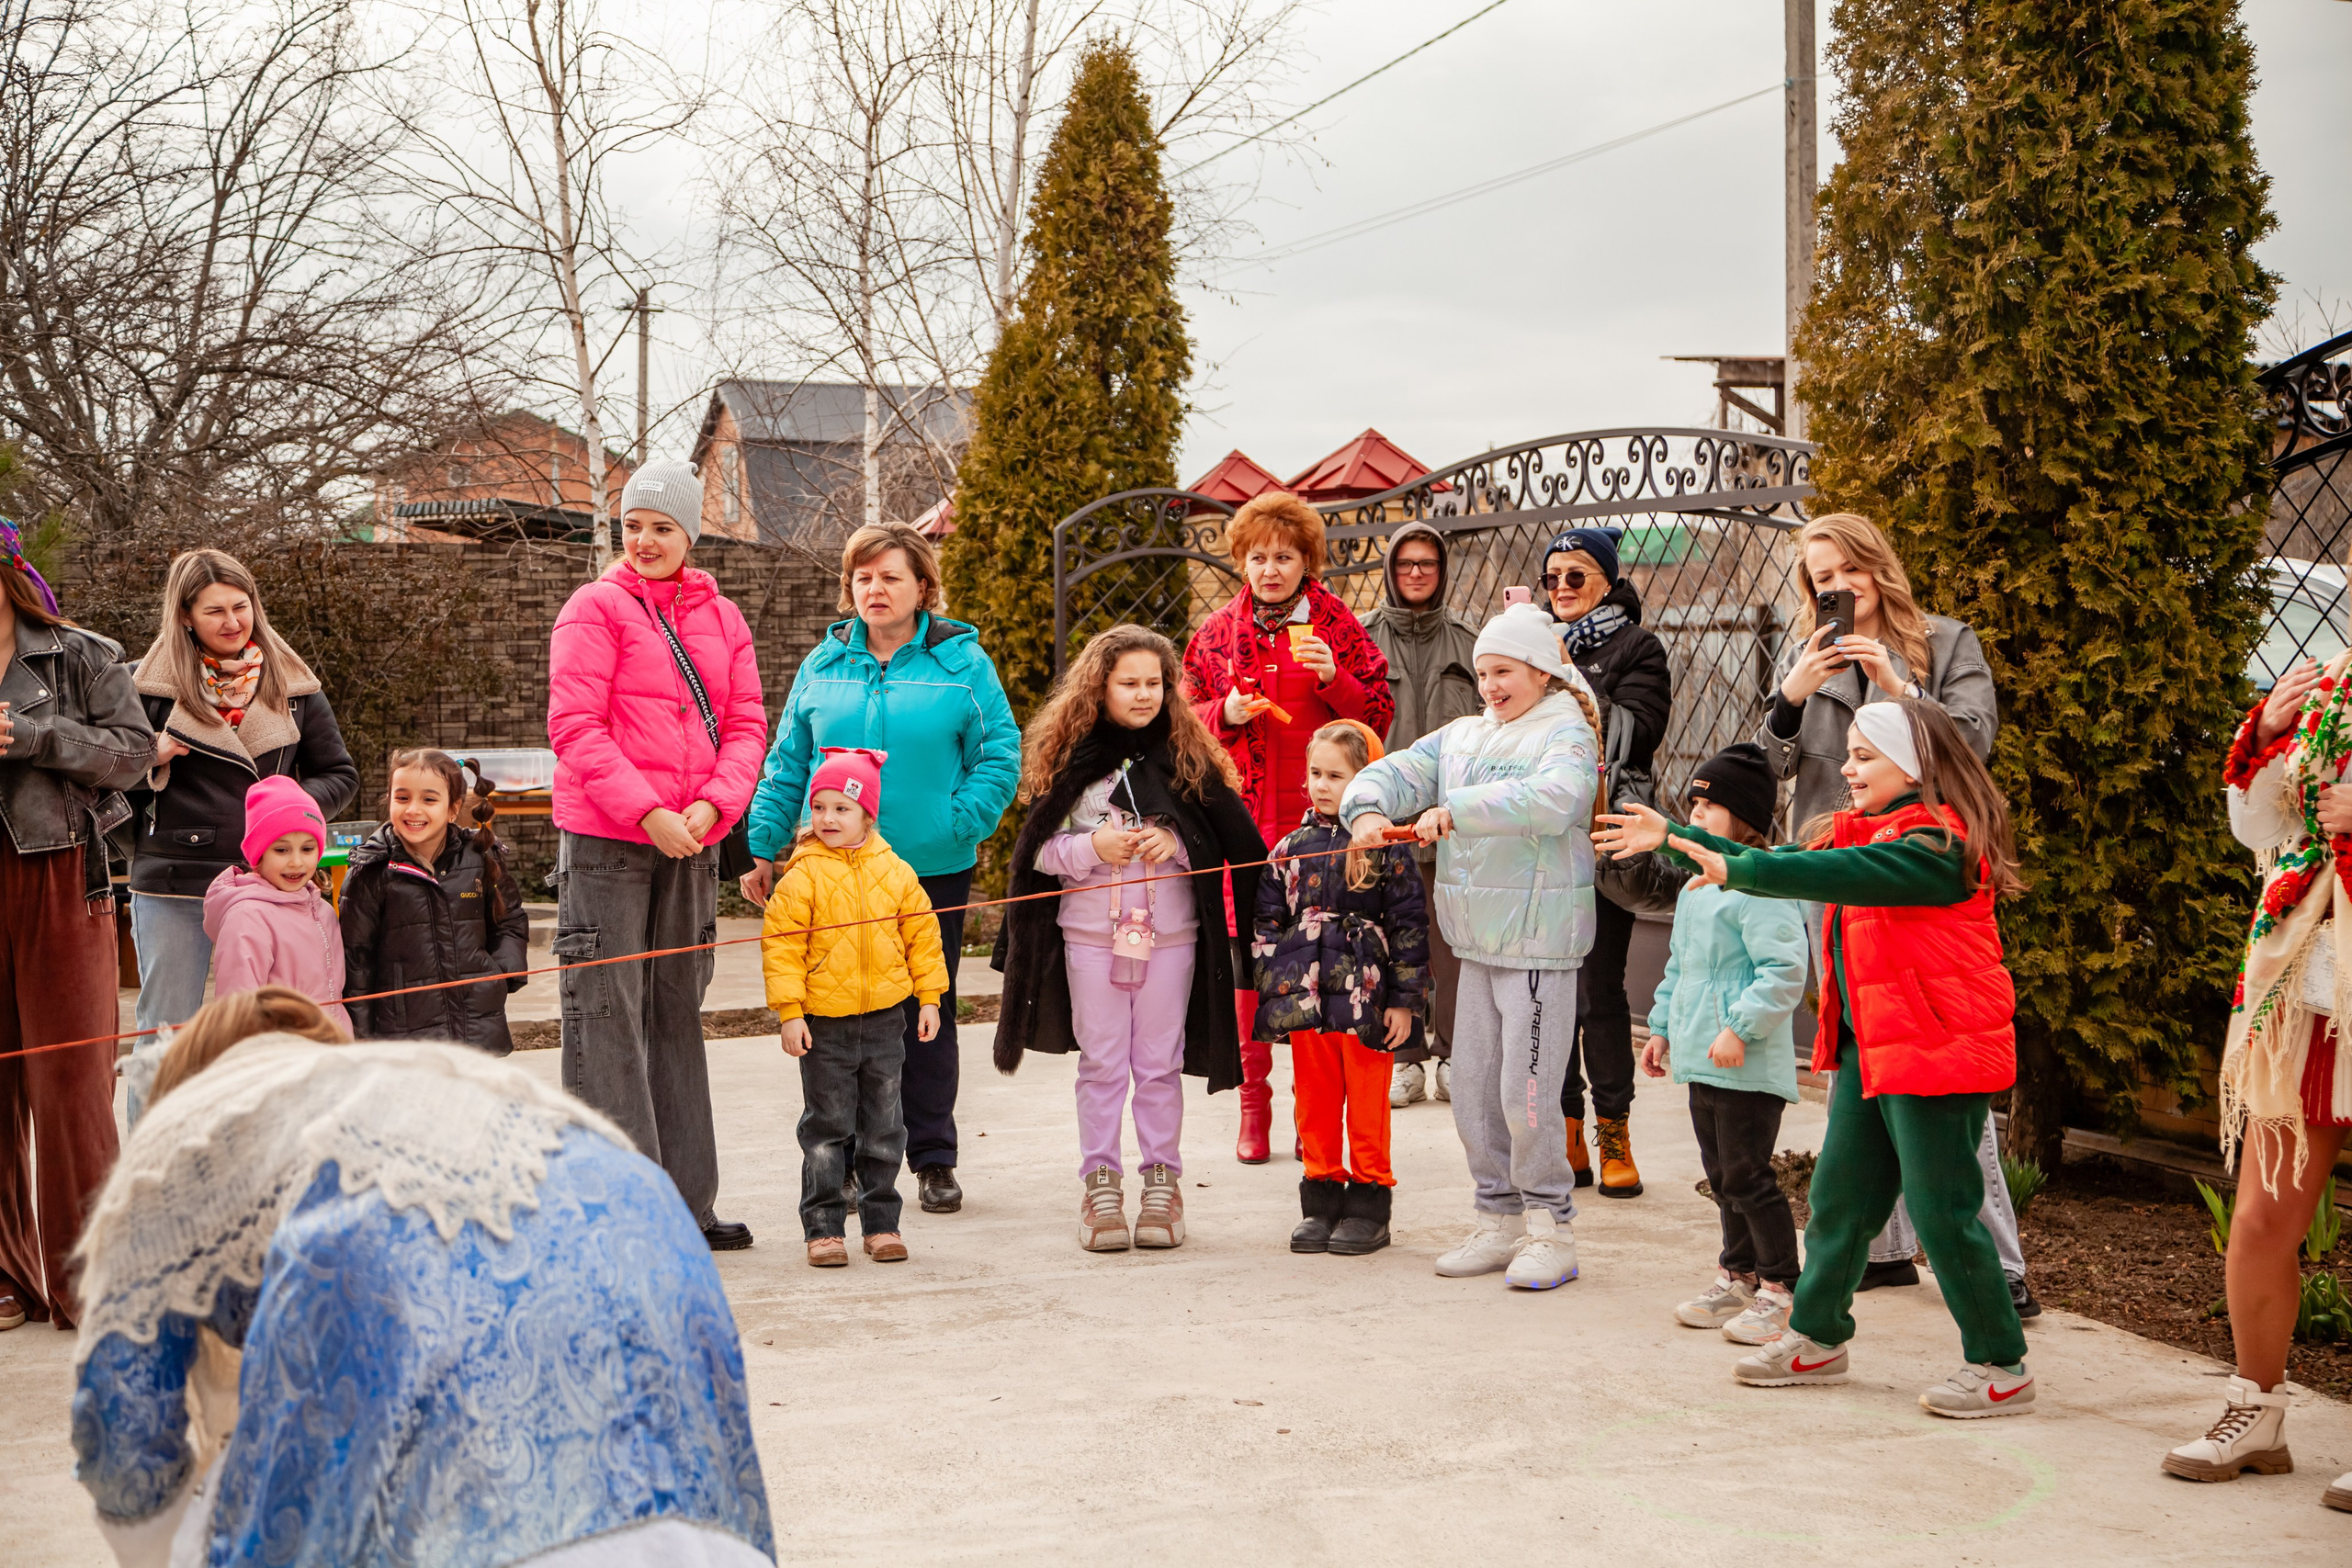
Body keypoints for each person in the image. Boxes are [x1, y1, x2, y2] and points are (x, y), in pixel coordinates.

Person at [67, 987, 777, 1565]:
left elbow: (120, 1418)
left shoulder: (187, 1137)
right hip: (698, 1506)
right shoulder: (421, 1085)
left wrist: (161, 1545)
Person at [1599, 699, 2034, 1418]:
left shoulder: (1938, 847)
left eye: (1867, 755)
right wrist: (1677, 836)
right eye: (1851, 753)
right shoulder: (1859, 833)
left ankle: (2000, 1360)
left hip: (1936, 1051)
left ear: (1916, 764)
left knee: (1943, 1209)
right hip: (1876, 1049)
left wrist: (1707, 854)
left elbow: (1828, 875)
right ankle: (1818, 1334)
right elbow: (1783, 860)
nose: (1850, 767)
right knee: (1839, 1198)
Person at [1756, 512, 2031, 1315]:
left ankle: (1999, 1266)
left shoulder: (1945, 643)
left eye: (1846, 571)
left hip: (1920, 872)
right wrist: (1788, 698)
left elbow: (1972, 747)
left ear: (1879, 568)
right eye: (1819, 578)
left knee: (1933, 1050)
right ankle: (1879, 1252)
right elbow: (1763, 770)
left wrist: (1899, 688)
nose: (1834, 589)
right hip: (1835, 872)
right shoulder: (1807, 657)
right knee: (1859, 1048)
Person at [742, 523, 1018, 1218]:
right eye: (863, 577)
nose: (874, 588)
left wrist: (961, 822)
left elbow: (999, 754)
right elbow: (786, 762)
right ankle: (856, 1162)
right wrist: (764, 843)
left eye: (890, 576)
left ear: (923, 586)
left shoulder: (962, 664)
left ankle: (931, 1157)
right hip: (828, 869)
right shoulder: (823, 665)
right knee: (844, 1017)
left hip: (927, 868)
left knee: (927, 1009)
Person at [1341, 602, 1601, 1292]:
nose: (1490, 684)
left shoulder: (1566, 733)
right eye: (1483, 671)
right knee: (1476, 1093)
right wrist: (1366, 808)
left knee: (1530, 1092)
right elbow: (1393, 771)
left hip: (1540, 948)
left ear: (1542, 671)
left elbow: (1559, 798)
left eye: (1505, 670)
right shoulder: (1461, 736)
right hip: (1474, 944)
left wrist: (1460, 811)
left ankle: (1552, 1228)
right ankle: (1498, 1217)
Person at [547, 457, 768, 1252]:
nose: (644, 539)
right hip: (609, 839)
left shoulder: (725, 617)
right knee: (606, 1017)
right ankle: (619, 1212)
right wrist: (648, 810)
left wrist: (713, 805)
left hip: (694, 839)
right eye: (633, 524)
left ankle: (687, 1203)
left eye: (662, 527)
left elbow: (746, 725)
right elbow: (574, 727)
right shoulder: (593, 607)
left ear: (690, 535)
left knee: (676, 1009)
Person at [996, 625, 1266, 1253]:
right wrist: (1092, 846)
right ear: (1101, 686)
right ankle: (1101, 1182)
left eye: (1155, 683)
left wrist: (1174, 843)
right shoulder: (1073, 759)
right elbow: (1036, 852)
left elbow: (1225, 841)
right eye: (1130, 683)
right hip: (1089, 941)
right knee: (1103, 1063)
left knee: (1158, 1064)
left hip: (1172, 942)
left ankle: (1162, 1181)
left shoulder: (1187, 755)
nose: (1144, 695)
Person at [2161, 652, 2352, 1511]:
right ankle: (2257, 1412)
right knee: (2264, 1208)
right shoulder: (2331, 685)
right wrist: (2270, 730)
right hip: (2307, 977)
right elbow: (2259, 827)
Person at [1183, 491, 1392, 1162]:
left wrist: (1338, 683)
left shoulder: (1339, 626)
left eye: (1284, 555)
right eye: (1257, 556)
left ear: (1308, 560)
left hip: (1321, 832)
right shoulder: (1216, 633)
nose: (1269, 569)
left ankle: (1316, 1117)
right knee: (1250, 962)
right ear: (1240, 561)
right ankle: (1254, 1107)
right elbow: (1182, 720)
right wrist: (1226, 713)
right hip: (1245, 827)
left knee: (1321, 961)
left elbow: (1377, 719)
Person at [0, 517, 152, 1334]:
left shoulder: (82, 653)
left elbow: (133, 753)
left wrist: (30, 736)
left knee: (71, 1086)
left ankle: (88, 1276)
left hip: (62, 875)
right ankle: (6, 1273)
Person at [128, 548, 356, 1039]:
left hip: (275, 887)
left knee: (277, 1033)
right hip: (174, 881)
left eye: (241, 605)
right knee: (166, 1036)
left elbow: (340, 774)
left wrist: (287, 809)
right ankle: (164, 1121)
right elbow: (101, 781)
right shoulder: (143, 688)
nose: (233, 622)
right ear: (185, 616)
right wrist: (151, 757)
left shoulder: (295, 687)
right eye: (214, 610)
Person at [1635, 742, 1808, 1345]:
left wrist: (1740, 1028)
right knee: (1721, 1174)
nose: (1695, 813)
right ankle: (1739, 1273)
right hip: (1702, 1059)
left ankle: (1782, 1288)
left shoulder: (1761, 887)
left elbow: (1783, 968)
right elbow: (1680, 967)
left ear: (1744, 819)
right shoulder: (1695, 890)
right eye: (1694, 803)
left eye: (1708, 806)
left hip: (1746, 1061)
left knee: (1748, 1175)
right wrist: (1660, 1030)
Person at [761, 748, 947, 1269]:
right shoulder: (801, 877)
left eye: (841, 808)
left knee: (885, 1127)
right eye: (818, 807)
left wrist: (929, 997)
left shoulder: (897, 873)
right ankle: (823, 1228)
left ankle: (882, 1225)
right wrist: (790, 1011)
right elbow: (782, 948)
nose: (827, 819)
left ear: (869, 815)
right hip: (825, 1024)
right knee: (826, 1128)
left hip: (887, 1019)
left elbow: (923, 937)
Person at [1253, 719, 1428, 1257]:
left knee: (1368, 1103)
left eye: (1338, 775)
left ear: (1368, 780)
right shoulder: (1289, 846)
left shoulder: (1385, 845)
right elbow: (1266, 922)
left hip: (1366, 1003)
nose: (1323, 786)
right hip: (1308, 1005)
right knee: (1315, 1101)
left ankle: (1370, 1199)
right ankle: (1320, 1196)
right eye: (1315, 773)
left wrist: (1404, 1001)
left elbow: (1410, 927)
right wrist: (1276, 990)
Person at [1541, 525, 1671, 1199]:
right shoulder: (1531, 644)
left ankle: (1613, 1130)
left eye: (1577, 576)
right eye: (1553, 577)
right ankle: (1565, 1130)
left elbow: (1640, 731)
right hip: (1542, 836)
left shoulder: (1637, 646)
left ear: (1607, 581)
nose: (1561, 589)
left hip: (1603, 835)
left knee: (1600, 989)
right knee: (1553, 991)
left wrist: (1567, 677)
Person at [1362, 521, 1480, 1111]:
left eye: (1426, 564)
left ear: (1440, 572)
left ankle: (1455, 1054)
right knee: (1392, 942)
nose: (1414, 572)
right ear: (1390, 569)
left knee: (1449, 942)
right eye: (1405, 563)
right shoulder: (1361, 640)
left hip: (1451, 819)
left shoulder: (1469, 642)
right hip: (1384, 820)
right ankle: (1402, 1060)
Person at [339, 750, 530, 1055]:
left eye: (429, 800)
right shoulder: (370, 871)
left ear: (453, 809)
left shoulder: (479, 856)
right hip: (404, 1037)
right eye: (402, 798)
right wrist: (362, 1035)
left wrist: (499, 974)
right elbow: (356, 958)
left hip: (476, 1026)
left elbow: (510, 921)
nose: (413, 810)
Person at [202, 777, 351, 1035]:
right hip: (282, 1061)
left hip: (330, 1055)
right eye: (281, 850)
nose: (296, 862)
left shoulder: (324, 912)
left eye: (307, 849)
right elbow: (237, 1012)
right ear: (259, 854)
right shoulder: (247, 918)